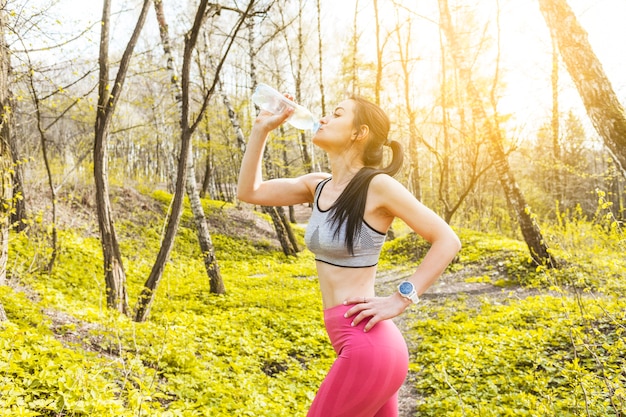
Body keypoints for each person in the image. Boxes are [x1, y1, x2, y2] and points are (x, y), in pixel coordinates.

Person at [237, 92, 461, 417]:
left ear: (359, 133)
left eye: (337, 114)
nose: (324, 118)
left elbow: (447, 239)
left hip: (368, 348)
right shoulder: (317, 185)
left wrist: (401, 298)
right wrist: (260, 130)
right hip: (360, 345)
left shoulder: (377, 186)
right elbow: (249, 192)